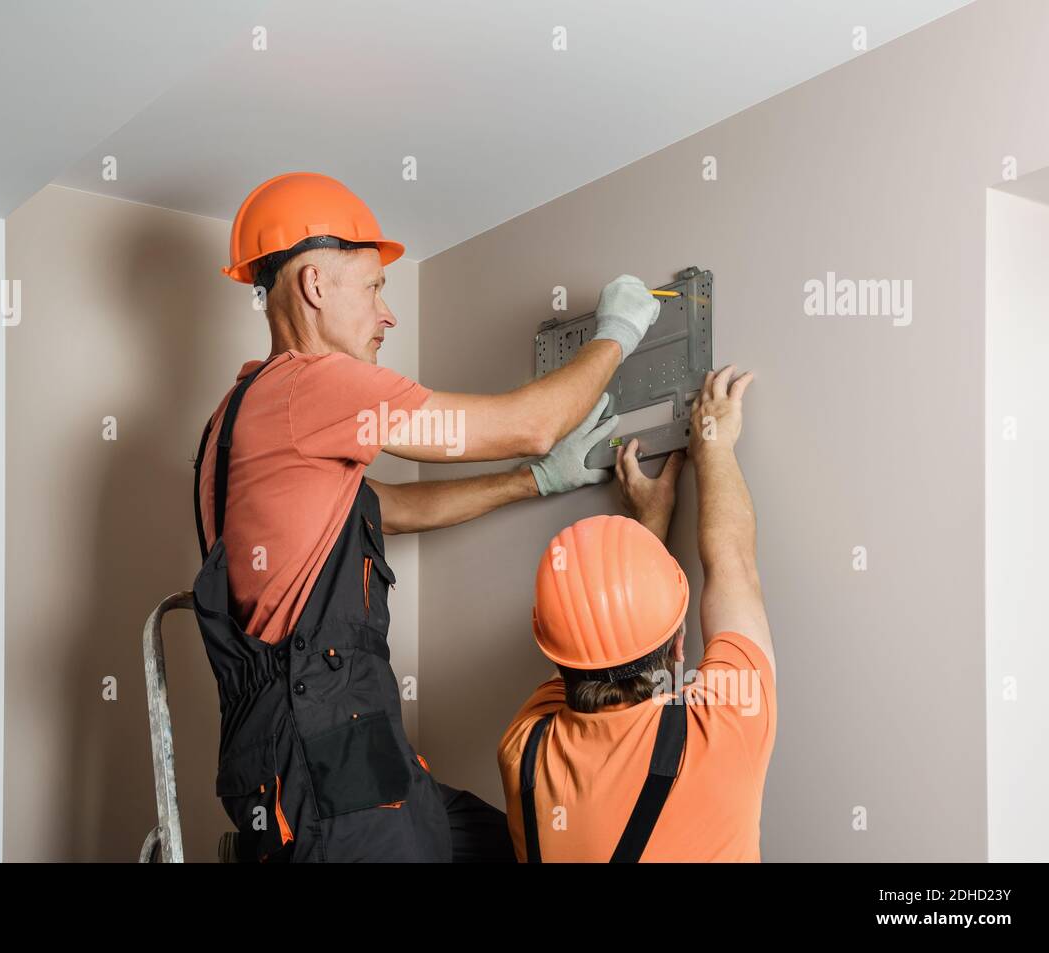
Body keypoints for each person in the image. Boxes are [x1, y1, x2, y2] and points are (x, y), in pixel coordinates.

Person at [192, 170, 661, 861]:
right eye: (375, 287)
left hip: (306, 754)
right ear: (316, 287)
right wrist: (618, 332)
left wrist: (535, 480)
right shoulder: (314, 385)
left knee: (514, 842)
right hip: (327, 767)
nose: (388, 314)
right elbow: (531, 423)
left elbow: (382, 509)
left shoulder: (235, 415)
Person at [497, 365, 776, 862]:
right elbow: (733, 567)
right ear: (679, 645)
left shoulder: (523, 751)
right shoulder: (723, 727)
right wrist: (713, 445)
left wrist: (650, 520)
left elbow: (590, 626)